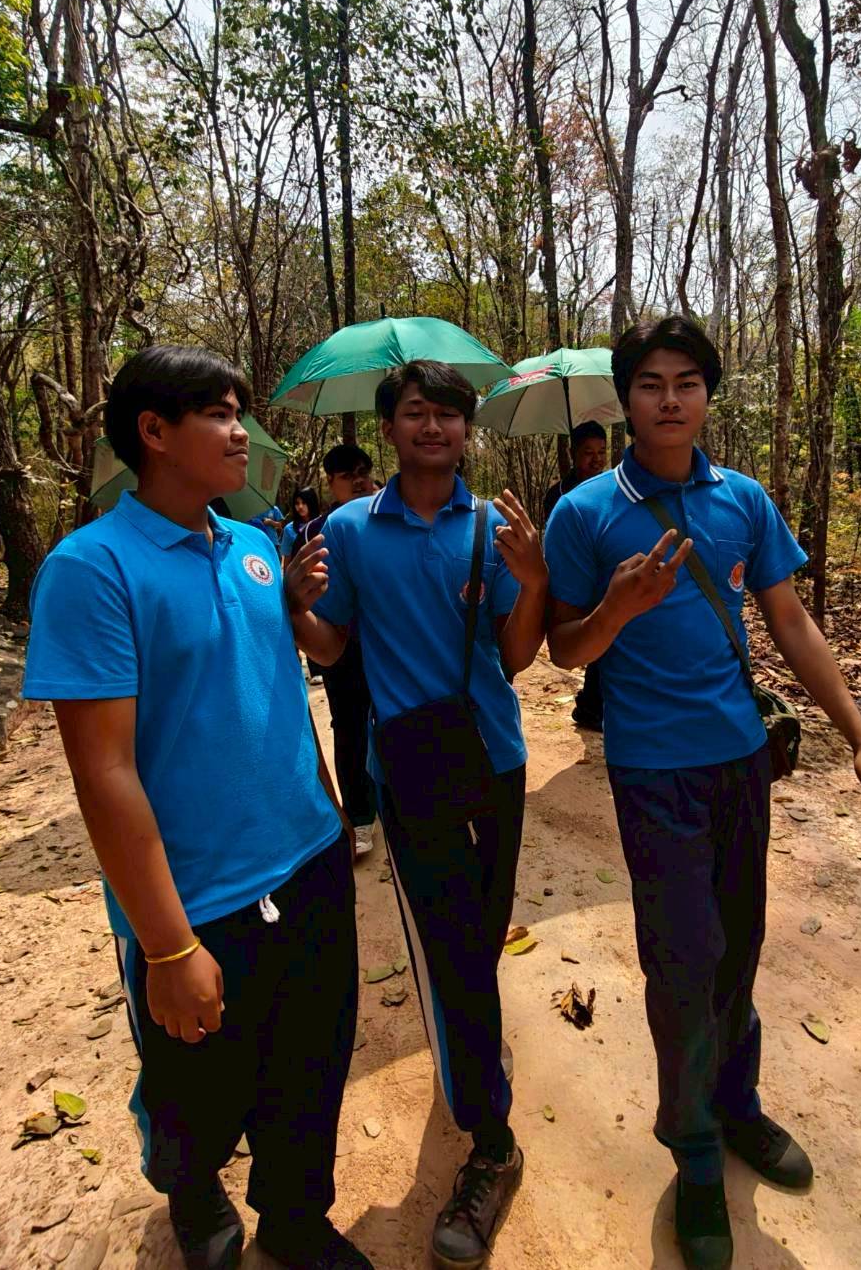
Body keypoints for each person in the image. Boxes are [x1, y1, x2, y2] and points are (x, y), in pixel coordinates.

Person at [543, 316, 861, 1270]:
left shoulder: (743, 499)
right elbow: (565, 648)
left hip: (741, 762)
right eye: (651, 383)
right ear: (626, 399)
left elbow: (790, 620)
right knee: (683, 962)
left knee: (737, 945)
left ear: (708, 394)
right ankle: (695, 1149)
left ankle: (736, 1103)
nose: (670, 399)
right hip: (652, 772)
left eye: (688, 382)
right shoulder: (584, 512)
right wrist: (616, 608)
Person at [21, 345, 370, 1270]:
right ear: (154, 431)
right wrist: (170, 946)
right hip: (198, 900)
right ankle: (191, 1185)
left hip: (310, 863)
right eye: (219, 413)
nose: (241, 432)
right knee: (199, 1091)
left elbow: (281, 698)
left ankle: (295, 1218)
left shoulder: (255, 548)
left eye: (239, 411)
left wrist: (332, 815)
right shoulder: (91, 569)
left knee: (310, 1068)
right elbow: (104, 772)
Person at [285, 360, 548, 1270]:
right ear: (389, 427)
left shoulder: (492, 527)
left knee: (479, 935)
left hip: (495, 760)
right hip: (408, 770)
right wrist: (294, 609)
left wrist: (533, 580)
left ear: (468, 430)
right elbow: (332, 648)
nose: (432, 426)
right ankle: (492, 1141)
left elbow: (517, 657)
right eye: (414, 412)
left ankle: (472, 1051)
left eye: (447, 413)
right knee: (449, 947)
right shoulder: (350, 529)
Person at [318, 443, 378, 858]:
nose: (358, 481)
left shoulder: (392, 521)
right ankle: (359, 817)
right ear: (331, 483)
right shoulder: (315, 532)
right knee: (350, 727)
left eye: (363, 472)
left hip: (388, 643)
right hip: (341, 648)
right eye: (346, 476)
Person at [543, 421, 609, 731]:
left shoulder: (612, 488)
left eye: (601, 452)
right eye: (588, 453)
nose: (596, 459)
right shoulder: (558, 495)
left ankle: (592, 703)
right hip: (573, 579)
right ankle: (591, 704)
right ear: (572, 454)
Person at [282, 487, 326, 686]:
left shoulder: (323, 523)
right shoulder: (289, 530)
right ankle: (309, 668)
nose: (300, 507)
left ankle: (320, 667)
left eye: (304, 503)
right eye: (297, 503)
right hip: (301, 583)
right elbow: (287, 559)